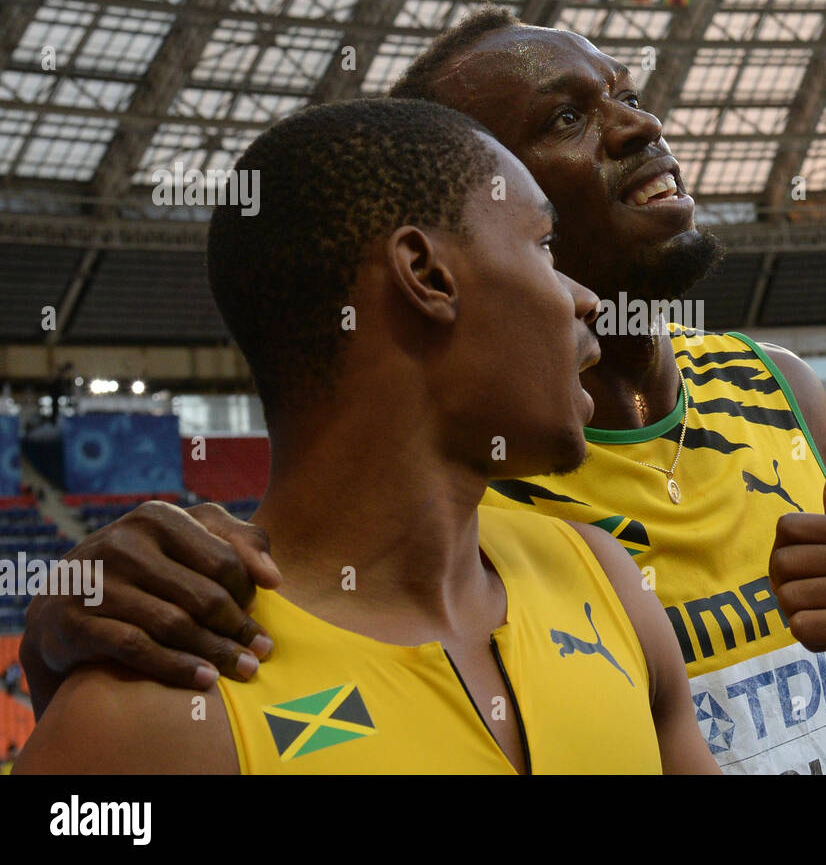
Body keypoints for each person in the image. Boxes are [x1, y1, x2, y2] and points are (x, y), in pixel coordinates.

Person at [21, 9, 826, 775]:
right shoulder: (475, 495)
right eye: (566, 119)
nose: (642, 125)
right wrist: (64, 645)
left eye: (624, 92)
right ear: (435, 258)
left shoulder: (758, 410)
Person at [15, 99, 718, 774]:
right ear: (426, 274)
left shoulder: (604, 578)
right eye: (543, 245)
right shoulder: (153, 713)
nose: (583, 298)